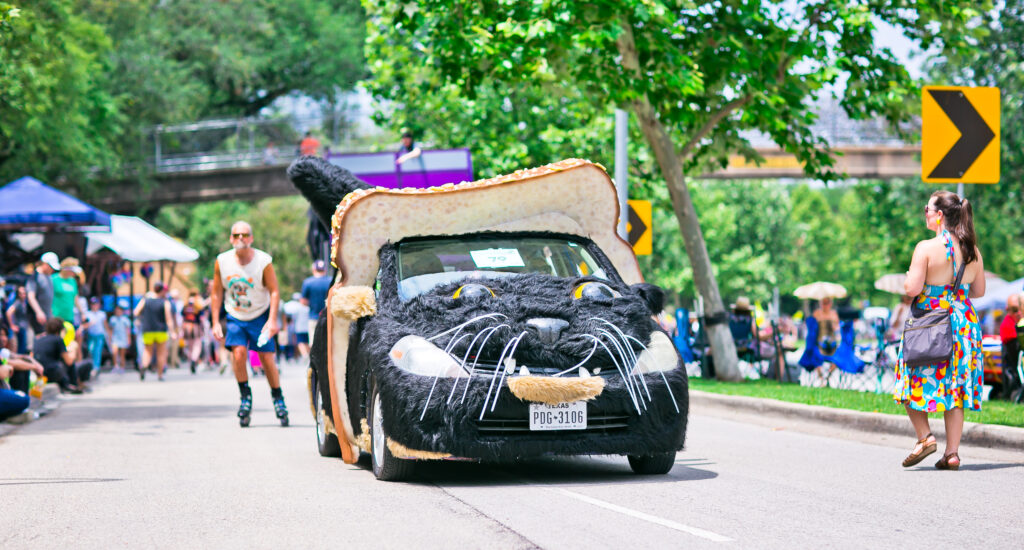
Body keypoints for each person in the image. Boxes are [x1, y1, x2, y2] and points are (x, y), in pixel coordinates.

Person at [895, 191, 984, 471]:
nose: (925, 213)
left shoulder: (925, 248)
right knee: (954, 389)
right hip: (964, 324)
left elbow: (912, 289)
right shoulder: (973, 250)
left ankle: (924, 437)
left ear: (940, 216)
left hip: (931, 323)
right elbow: (979, 291)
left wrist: (912, 276)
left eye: (927, 209)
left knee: (910, 377)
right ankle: (952, 453)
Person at [211, 221, 288, 427]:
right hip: (235, 314)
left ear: (251, 238)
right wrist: (215, 321)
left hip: (260, 314)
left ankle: (277, 397)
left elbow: (274, 291)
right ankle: (245, 396)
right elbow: (217, 292)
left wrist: (272, 320)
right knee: (238, 353)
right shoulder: (222, 261)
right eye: (236, 235)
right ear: (231, 239)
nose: (240, 239)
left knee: (266, 358)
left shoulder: (263, 261)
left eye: (244, 235)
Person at [134, 281, 176, 381]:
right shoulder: (165, 302)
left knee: (147, 351)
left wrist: (143, 318)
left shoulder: (146, 300)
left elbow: (136, 312)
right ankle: (160, 375)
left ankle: (144, 366)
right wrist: (172, 331)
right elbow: (168, 319)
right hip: (161, 330)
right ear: (162, 290)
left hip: (148, 329)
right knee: (161, 353)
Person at [32, 317, 81, 394]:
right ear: (61, 330)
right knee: (66, 363)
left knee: (53, 363)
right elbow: (69, 361)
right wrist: (74, 348)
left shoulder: (38, 338)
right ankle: (71, 384)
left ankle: (37, 389)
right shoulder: (58, 339)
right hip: (52, 373)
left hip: (39, 374)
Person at [300, 259, 331, 349]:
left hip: (313, 317)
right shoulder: (330, 281)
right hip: (329, 317)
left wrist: (312, 304)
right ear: (324, 270)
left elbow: (303, 301)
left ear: (314, 269)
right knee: (328, 342)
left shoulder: (308, 282)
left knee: (314, 343)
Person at [26, 252, 59, 331]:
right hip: (37, 318)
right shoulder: (35, 277)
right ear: (44, 264)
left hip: (47, 317)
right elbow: (31, 296)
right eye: (51, 267)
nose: (52, 270)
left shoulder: (49, 277)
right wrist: (39, 312)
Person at [999, 293, 1021, 396]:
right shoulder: (1007, 324)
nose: (1019, 313)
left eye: (1020, 308)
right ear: (1008, 310)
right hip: (1015, 368)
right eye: (1015, 310)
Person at [82, 297, 110, 377]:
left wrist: (109, 336)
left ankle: (96, 368)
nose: (94, 306)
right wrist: (90, 323)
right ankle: (91, 366)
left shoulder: (102, 314)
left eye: (96, 304)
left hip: (100, 335)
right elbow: (84, 326)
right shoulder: (87, 314)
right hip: (91, 335)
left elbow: (105, 325)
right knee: (90, 350)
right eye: (93, 304)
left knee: (97, 352)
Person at [181, 291, 204, 374]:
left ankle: (191, 361)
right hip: (195, 326)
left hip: (186, 327)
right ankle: (194, 360)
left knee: (190, 346)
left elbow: (182, 317)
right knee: (197, 345)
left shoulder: (185, 305)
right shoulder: (197, 305)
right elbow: (201, 318)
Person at [108, 304, 131, 374]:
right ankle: (115, 366)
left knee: (122, 355)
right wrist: (110, 338)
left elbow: (128, 330)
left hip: (123, 339)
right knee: (114, 352)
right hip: (115, 339)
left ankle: (122, 367)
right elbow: (111, 330)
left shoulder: (125, 320)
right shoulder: (113, 319)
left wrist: (129, 339)